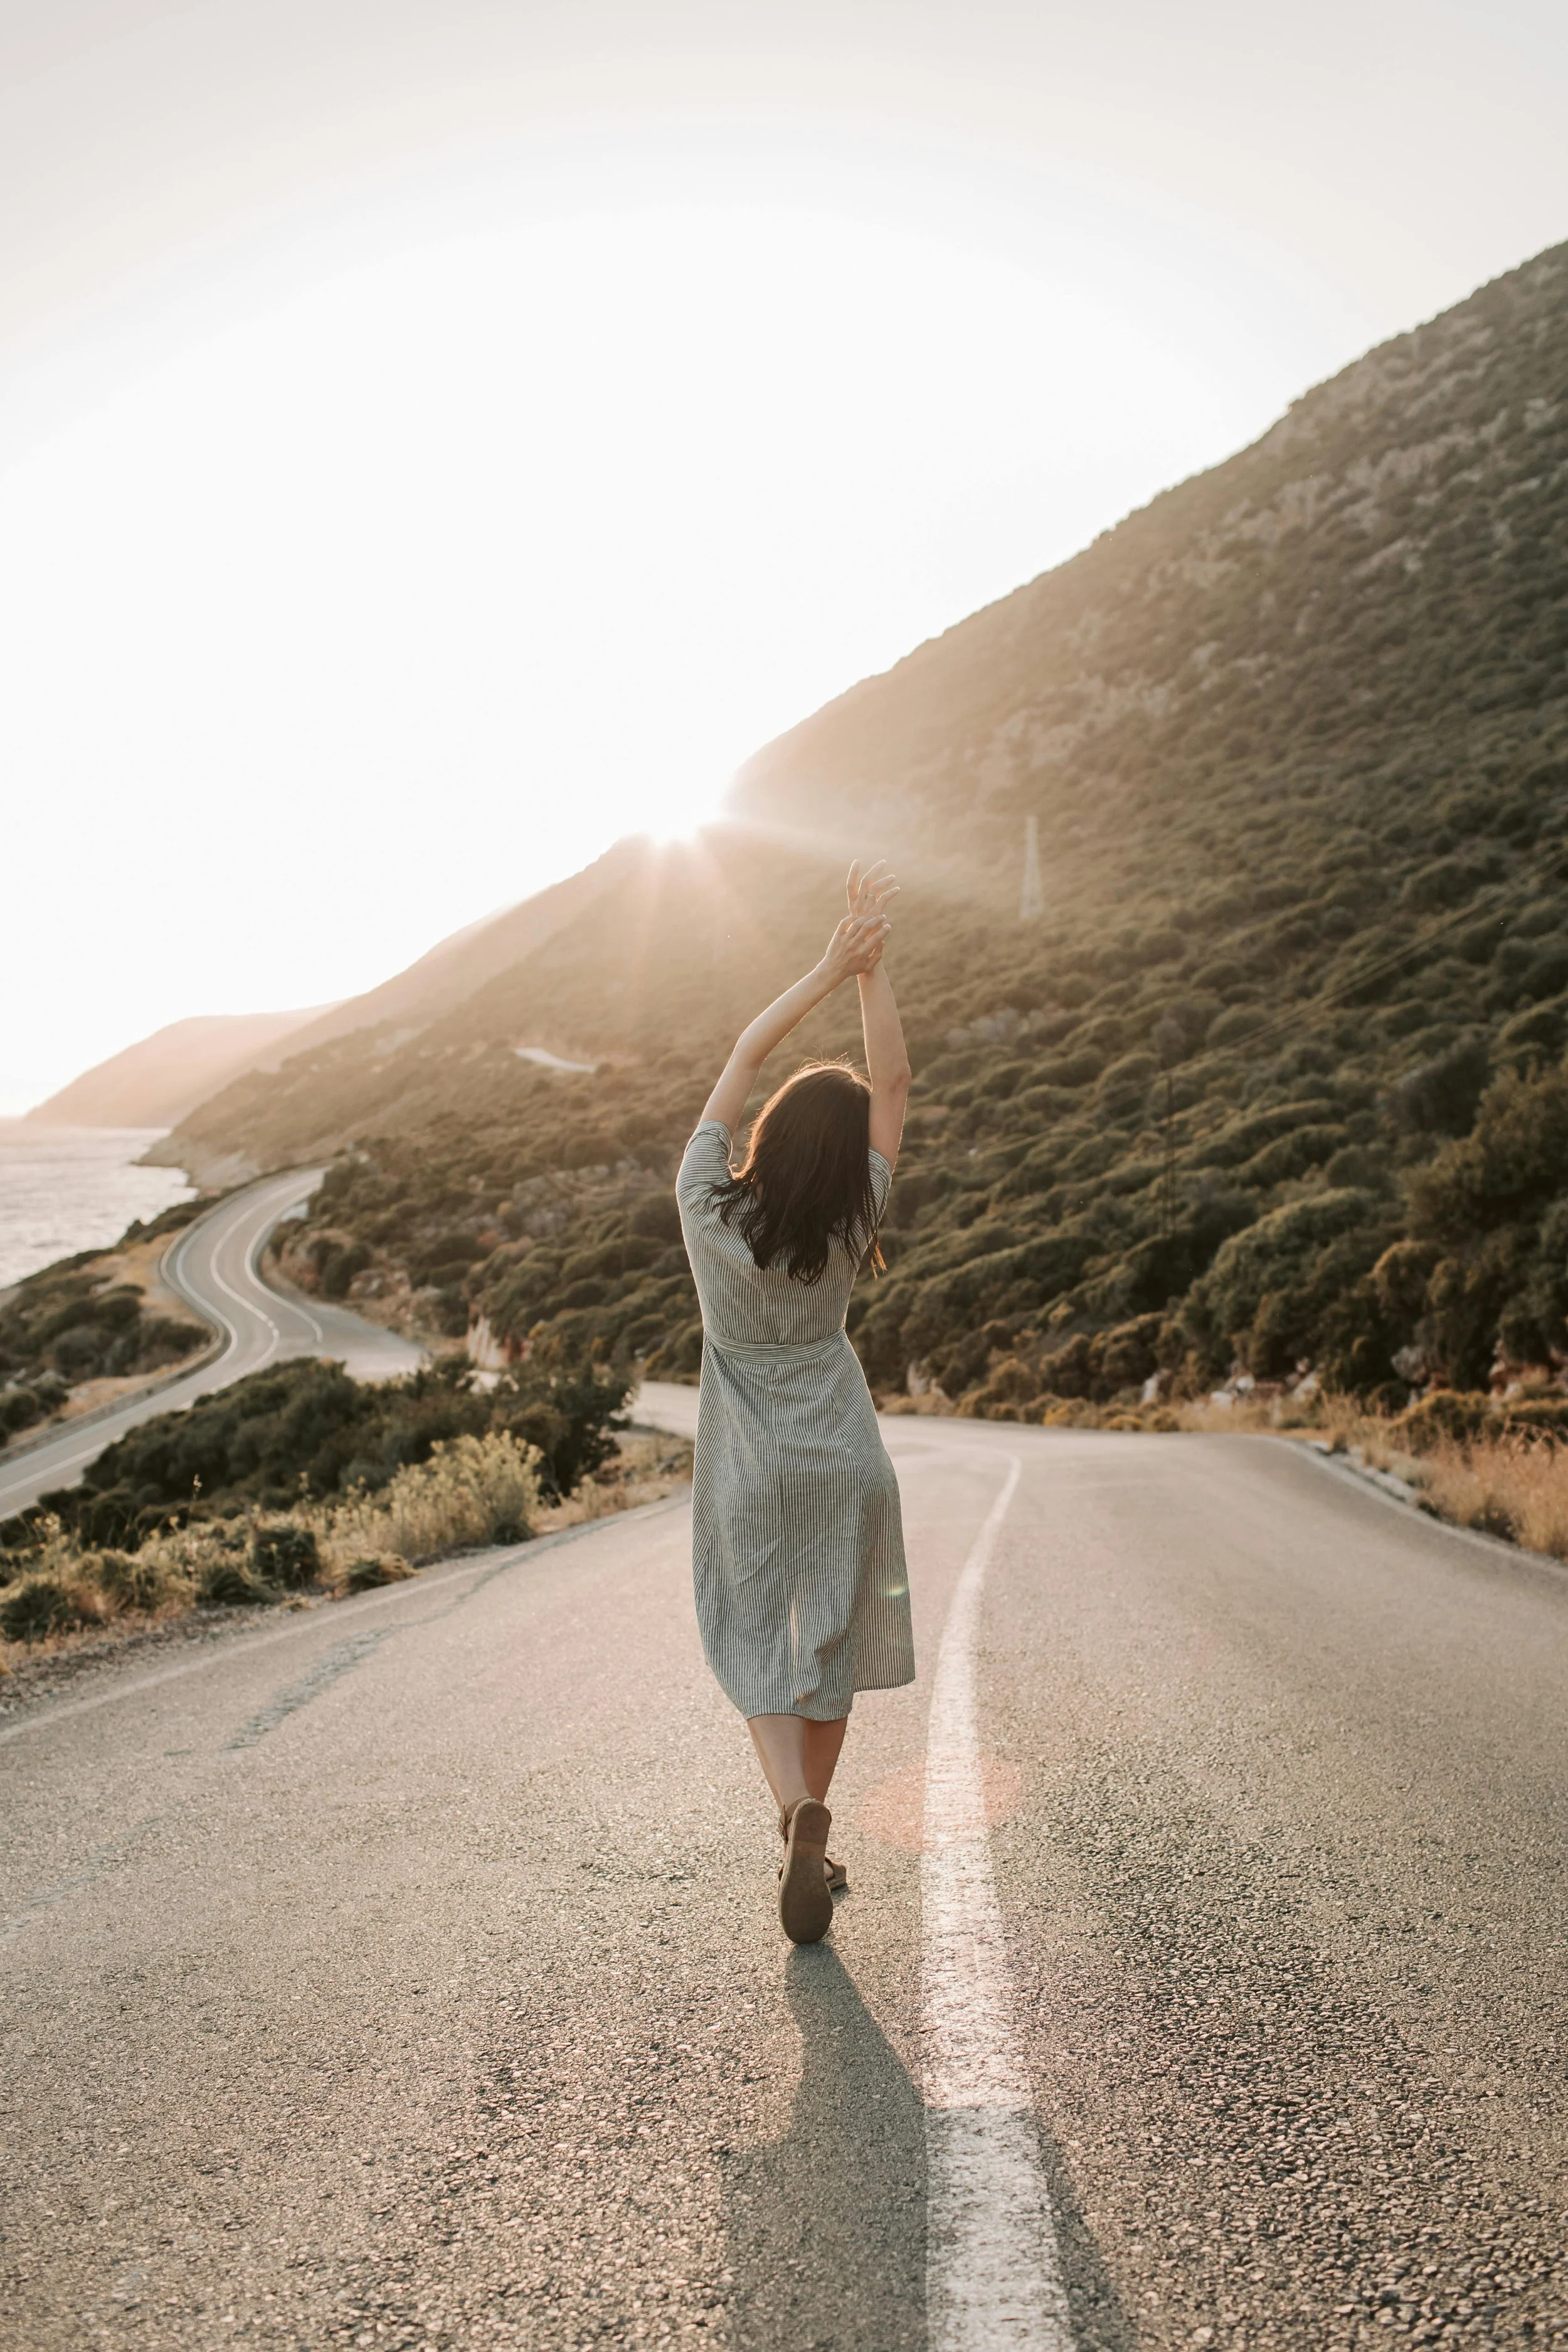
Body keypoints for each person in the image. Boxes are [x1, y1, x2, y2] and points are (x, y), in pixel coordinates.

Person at [675, 861, 914, 1944]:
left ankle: (794, 1811)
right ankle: (814, 1816)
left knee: (751, 1636)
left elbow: (738, 1056)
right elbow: (897, 1087)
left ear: (767, 1139)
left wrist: (823, 967)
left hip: (751, 1459)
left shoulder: (706, 1210)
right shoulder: (850, 1218)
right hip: (845, 1456)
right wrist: (877, 970)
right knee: (824, 1646)